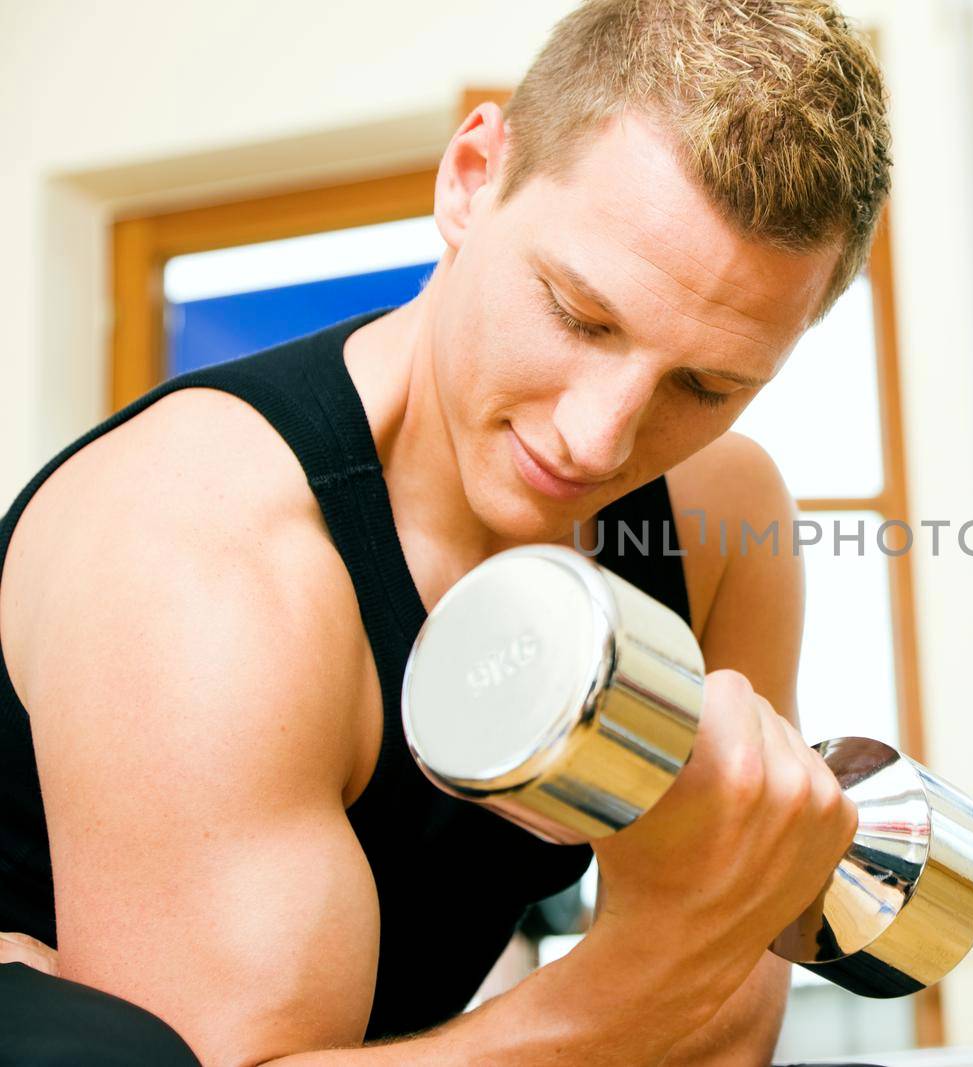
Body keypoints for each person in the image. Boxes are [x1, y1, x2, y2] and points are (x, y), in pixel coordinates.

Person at [0, 0, 892, 1062]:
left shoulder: (712, 520)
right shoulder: (198, 545)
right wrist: (634, 981)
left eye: (703, 384)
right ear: (471, 179)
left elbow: (724, 1036)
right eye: (578, 314)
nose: (596, 441)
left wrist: (680, 950)